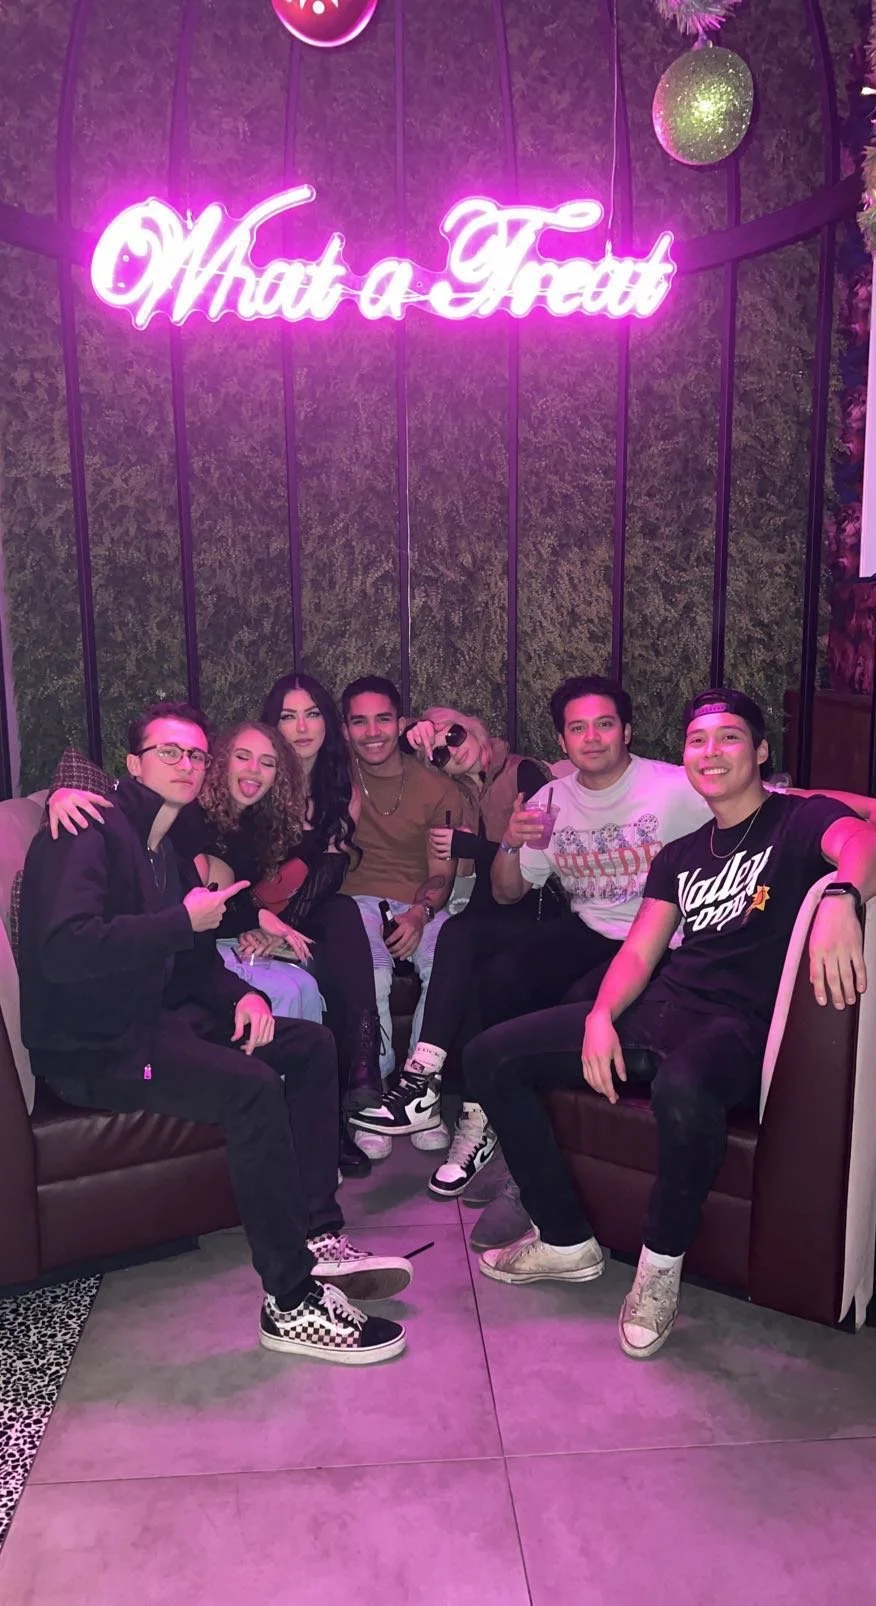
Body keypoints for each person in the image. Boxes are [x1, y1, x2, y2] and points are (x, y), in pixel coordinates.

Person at [463, 688, 876, 1360]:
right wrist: (601, 1016)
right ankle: (565, 1238)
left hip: (740, 1027)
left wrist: (840, 894)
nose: (711, 752)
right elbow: (637, 952)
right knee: (490, 1057)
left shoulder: (798, 821)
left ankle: (659, 1268)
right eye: (698, 741)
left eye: (729, 737)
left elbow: (864, 838)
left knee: (682, 1087)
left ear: (760, 751)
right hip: (667, 1005)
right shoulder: (680, 854)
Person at [20, 702, 413, 1364]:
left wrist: (245, 996)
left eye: (196, 755)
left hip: (155, 1022)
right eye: (169, 752)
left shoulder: (165, 848)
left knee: (308, 1046)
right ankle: (290, 1302)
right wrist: (181, 923)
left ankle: (317, 1234)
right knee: (251, 1088)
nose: (186, 764)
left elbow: (198, 962)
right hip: (97, 1050)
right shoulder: (86, 830)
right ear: (134, 764)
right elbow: (63, 950)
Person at [349, 704, 550, 1197]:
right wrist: (414, 746)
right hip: (482, 918)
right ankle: (428, 1091)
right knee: (458, 945)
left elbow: (544, 853)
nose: (449, 750)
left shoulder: (524, 773)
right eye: (437, 750)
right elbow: (371, 746)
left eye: (454, 735)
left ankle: (437, 1098)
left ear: (476, 725)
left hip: (534, 913)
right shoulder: (457, 791)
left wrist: (470, 847)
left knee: (467, 950)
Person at [339, 676, 475, 1160]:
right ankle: (374, 1093)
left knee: (444, 956)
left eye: (383, 719)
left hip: (420, 901)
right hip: (353, 900)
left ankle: (419, 1093)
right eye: (359, 722)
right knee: (373, 969)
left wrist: (420, 914)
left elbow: (441, 873)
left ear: (400, 724)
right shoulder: (335, 778)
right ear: (346, 729)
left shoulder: (437, 788)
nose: (372, 732)